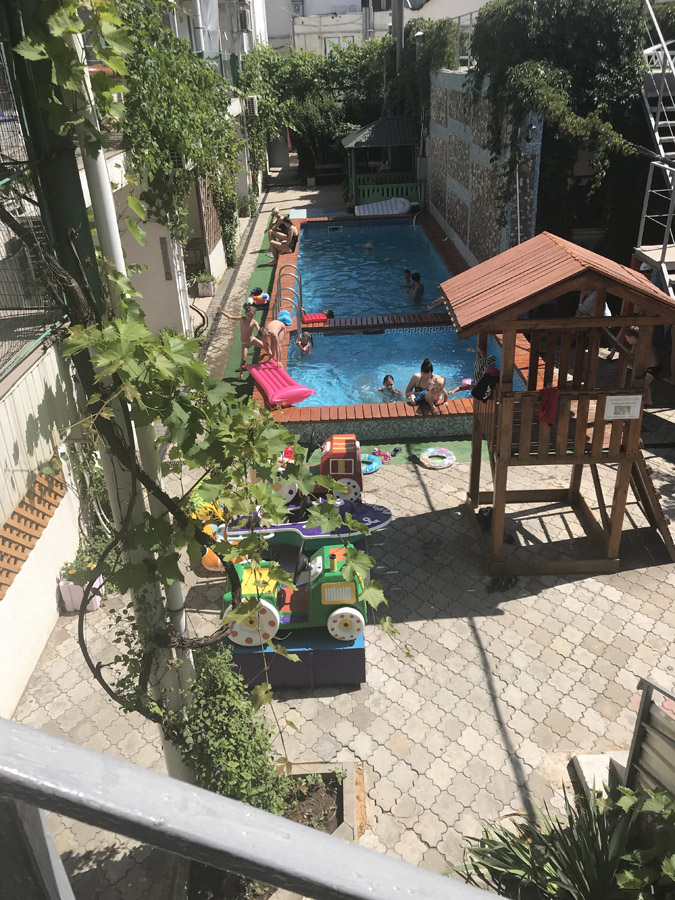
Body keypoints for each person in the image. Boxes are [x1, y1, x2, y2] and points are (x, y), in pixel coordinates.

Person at [219, 299, 264, 379]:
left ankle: (270, 357)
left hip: (252, 340)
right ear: (245, 313)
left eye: (252, 316)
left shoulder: (254, 322)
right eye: (248, 315)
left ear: (254, 315)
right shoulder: (241, 319)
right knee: (243, 359)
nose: (250, 317)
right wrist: (221, 311)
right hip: (245, 343)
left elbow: (259, 329)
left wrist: (264, 333)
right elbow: (230, 317)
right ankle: (240, 374)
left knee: (264, 345)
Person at [625, 325, 660, 405]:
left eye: (627, 338)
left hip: (653, 368)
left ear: (632, 337)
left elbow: (641, 359)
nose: (626, 340)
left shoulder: (643, 345)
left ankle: (641, 402)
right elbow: (632, 354)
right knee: (645, 385)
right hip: (646, 366)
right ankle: (648, 401)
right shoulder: (635, 343)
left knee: (642, 385)